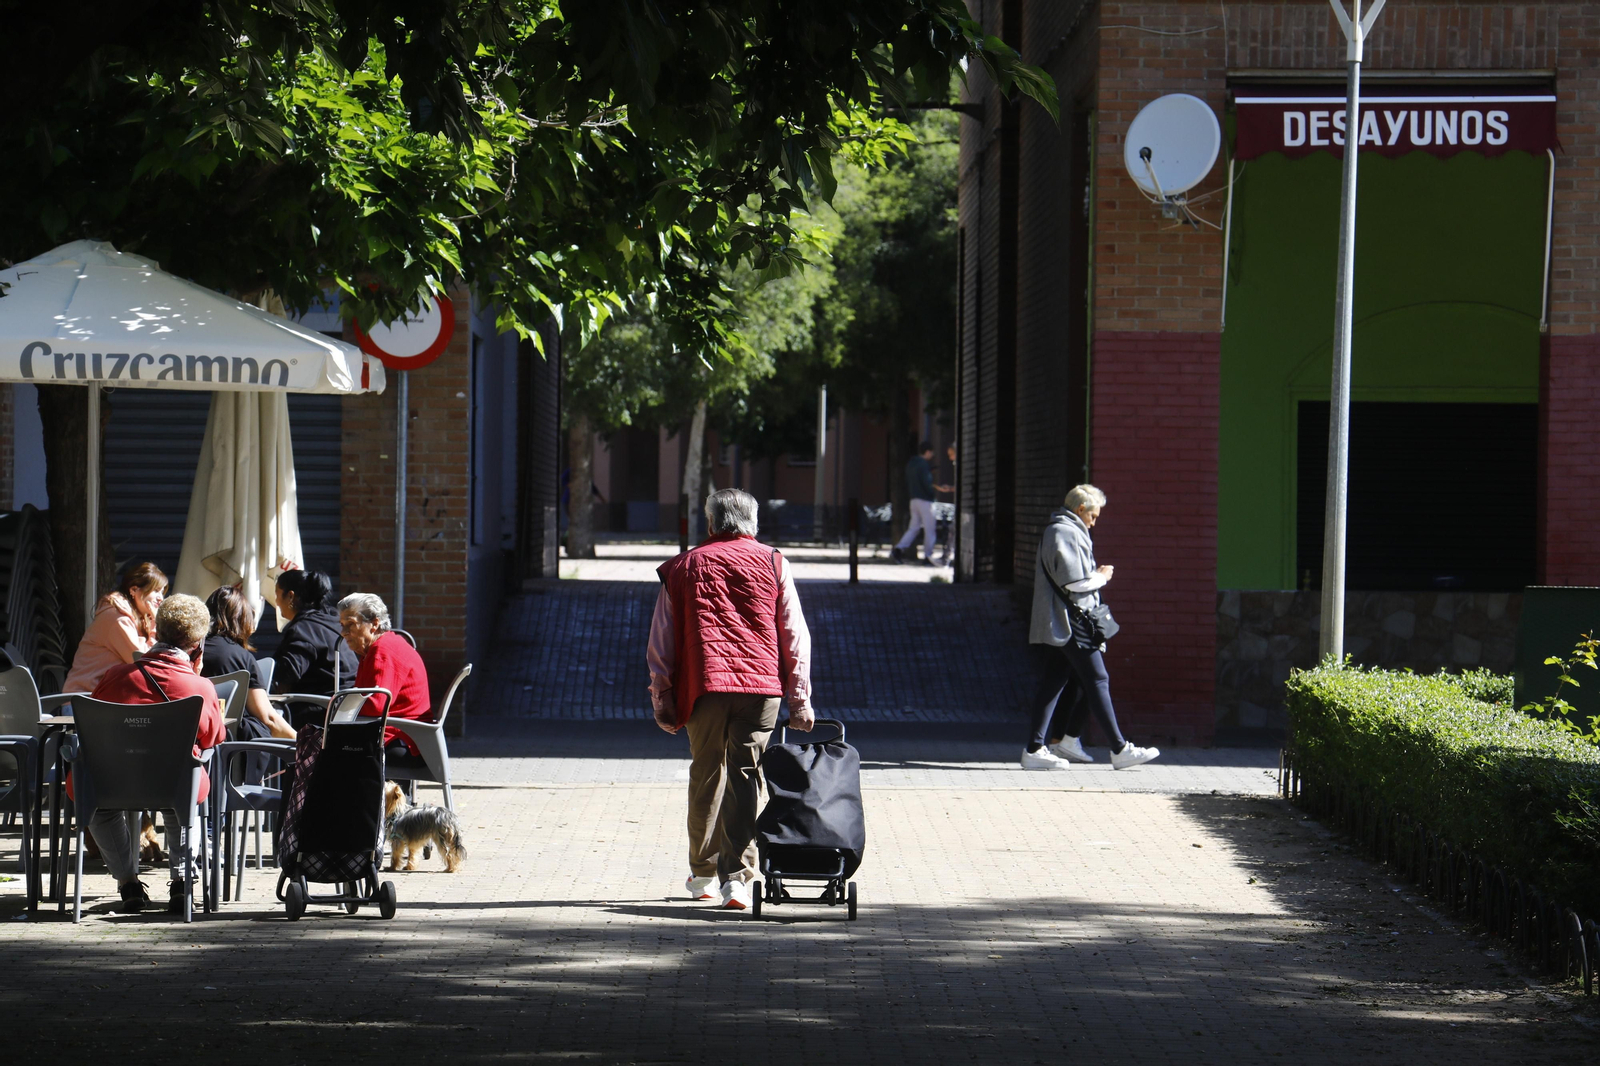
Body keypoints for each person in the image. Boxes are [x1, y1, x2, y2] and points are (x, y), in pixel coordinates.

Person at [647, 488, 815, 911]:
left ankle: (703, 874)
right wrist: (799, 698)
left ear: (710, 523)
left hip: (705, 686)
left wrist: (661, 696)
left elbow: (661, 642)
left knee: (706, 773)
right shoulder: (775, 562)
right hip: (761, 688)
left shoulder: (684, 567)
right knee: (746, 776)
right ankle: (738, 878)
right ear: (754, 523)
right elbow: (794, 633)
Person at [82, 594, 226, 914]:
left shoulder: (114, 677)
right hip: (175, 783)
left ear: (155, 629)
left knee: (99, 806)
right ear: (197, 643)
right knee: (180, 797)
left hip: (114, 783)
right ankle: (182, 883)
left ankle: (128, 883)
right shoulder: (200, 688)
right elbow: (214, 737)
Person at [1022, 484, 1159, 772]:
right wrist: (1102, 577)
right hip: (1070, 621)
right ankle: (1120, 749)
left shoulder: (1061, 530)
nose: (1094, 522)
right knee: (1097, 678)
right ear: (1081, 510)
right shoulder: (1065, 531)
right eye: (1093, 516)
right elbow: (1074, 583)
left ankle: (1039, 748)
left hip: (1062, 620)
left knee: (1055, 682)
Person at [337, 593, 432, 769]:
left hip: (404, 742)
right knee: (324, 747)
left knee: (329, 753)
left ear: (374, 624)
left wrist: (339, 706)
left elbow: (375, 705)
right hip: (397, 737)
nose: (343, 633)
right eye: (342, 625)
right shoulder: (375, 649)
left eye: (350, 624)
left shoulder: (383, 650)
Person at [201, 586, 294, 740]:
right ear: (242, 620)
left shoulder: (190, 651)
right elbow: (269, 718)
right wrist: (304, 744)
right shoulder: (242, 657)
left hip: (196, 738)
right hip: (233, 744)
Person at [271, 569, 358, 726]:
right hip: (347, 709)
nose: (276, 601)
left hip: (319, 715)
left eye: (277, 594)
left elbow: (287, 673)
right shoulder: (332, 619)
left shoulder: (304, 629)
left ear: (290, 596)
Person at [63, 561, 167, 694]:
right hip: (86, 700)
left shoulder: (141, 617)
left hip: (104, 700)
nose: (161, 598)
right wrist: (155, 626)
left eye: (162, 591)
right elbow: (143, 661)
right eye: (156, 591)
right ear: (134, 590)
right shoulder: (117, 618)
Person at [890, 442, 951, 565]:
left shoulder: (911, 464)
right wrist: (933, 494)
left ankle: (898, 549)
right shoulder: (923, 464)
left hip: (914, 500)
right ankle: (928, 556)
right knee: (930, 529)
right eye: (932, 453)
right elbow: (926, 482)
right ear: (928, 452)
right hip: (926, 501)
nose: (932, 455)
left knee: (913, 528)